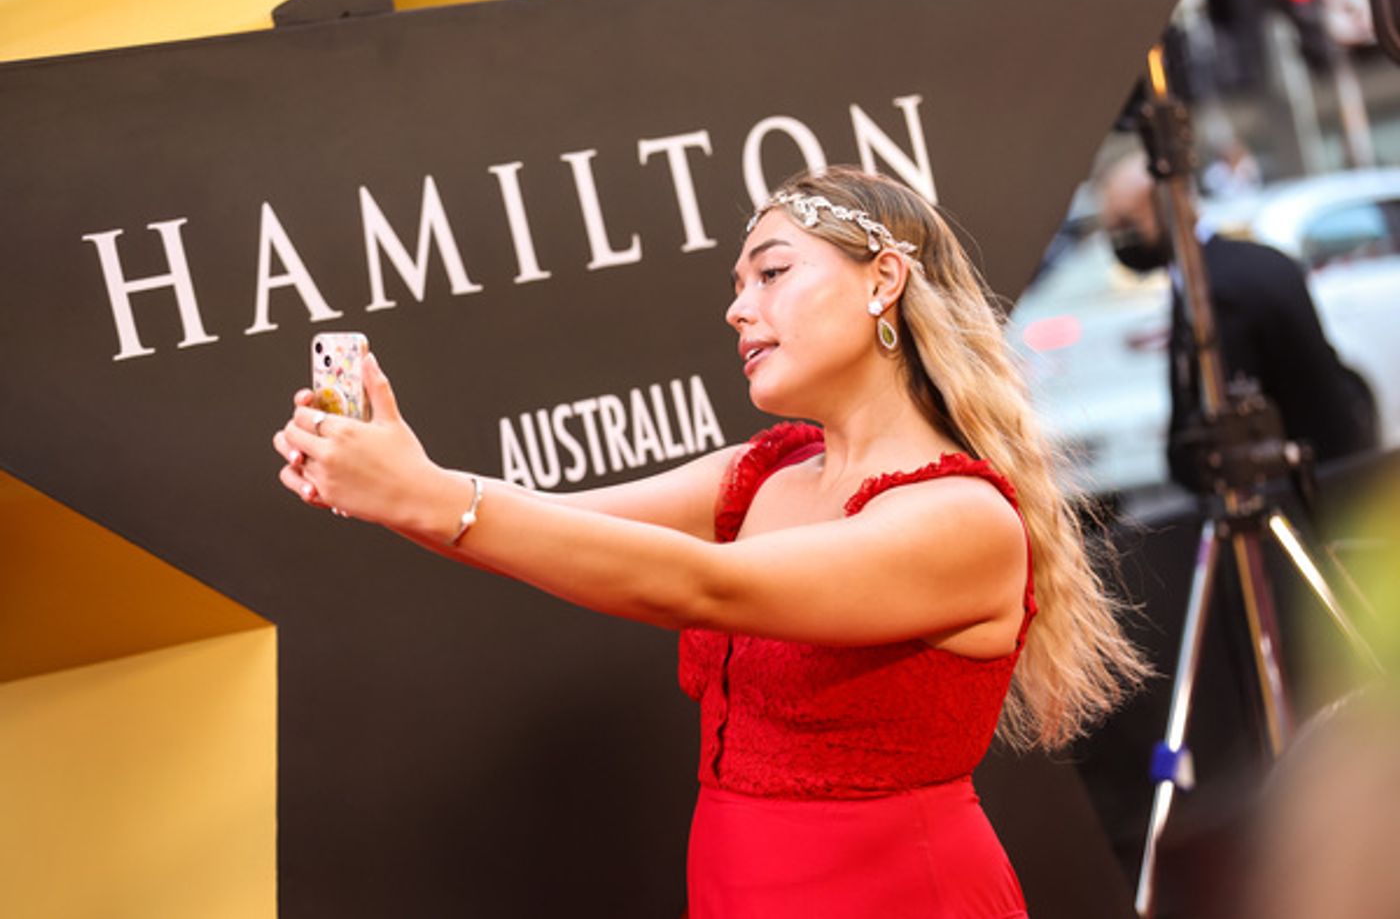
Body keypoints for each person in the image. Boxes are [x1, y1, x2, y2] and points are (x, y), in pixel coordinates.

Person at [273, 166, 1149, 918]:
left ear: (884, 281)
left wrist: (426, 494)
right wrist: (390, 486)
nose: (739, 308)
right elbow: (551, 526)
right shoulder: (764, 471)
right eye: (738, 285)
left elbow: (704, 586)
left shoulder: (961, 516)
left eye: (770, 274)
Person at [1098, 153, 1375, 490]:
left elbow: (1227, 421)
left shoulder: (1213, 290)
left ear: (1170, 205)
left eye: (1126, 223)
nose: (1121, 239)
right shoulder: (1252, 262)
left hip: (1292, 495)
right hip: (1324, 478)